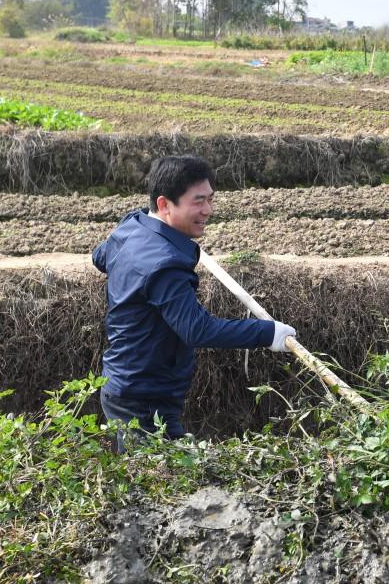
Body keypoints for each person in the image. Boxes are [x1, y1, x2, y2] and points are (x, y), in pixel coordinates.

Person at [92, 155, 295, 450]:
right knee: (157, 483)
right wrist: (268, 333)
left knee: (151, 477)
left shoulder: (133, 226)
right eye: (198, 201)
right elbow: (197, 330)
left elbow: (99, 257)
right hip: (144, 399)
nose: (208, 210)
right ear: (164, 205)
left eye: (210, 199)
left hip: (126, 384)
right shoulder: (165, 265)